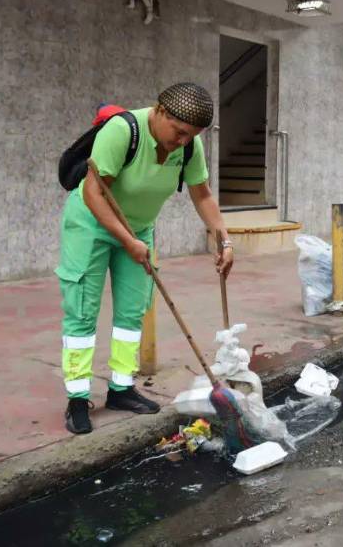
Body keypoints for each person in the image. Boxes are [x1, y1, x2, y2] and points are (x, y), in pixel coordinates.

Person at [57, 83, 234, 434]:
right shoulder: (123, 131)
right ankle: (77, 398)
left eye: (192, 136)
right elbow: (94, 193)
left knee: (132, 310)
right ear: (161, 112)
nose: (183, 141)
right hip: (90, 224)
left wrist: (224, 240)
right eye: (179, 132)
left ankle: (122, 388)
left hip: (138, 228)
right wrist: (127, 240)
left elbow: (202, 195)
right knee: (82, 309)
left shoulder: (189, 146)